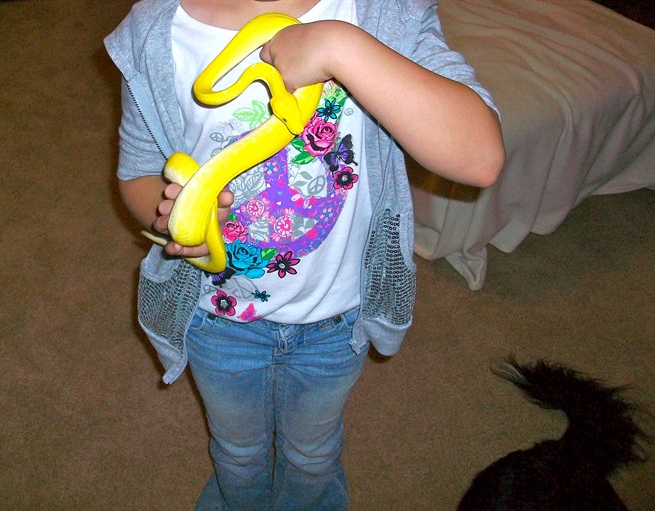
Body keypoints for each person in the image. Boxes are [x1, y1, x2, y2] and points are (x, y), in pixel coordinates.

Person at [104, 0, 504, 509]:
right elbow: (138, 172)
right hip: (215, 320)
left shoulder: (383, 14)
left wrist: (341, 46)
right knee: (237, 453)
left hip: (336, 322)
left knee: (312, 454)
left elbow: (479, 157)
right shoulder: (152, 34)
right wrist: (173, 219)